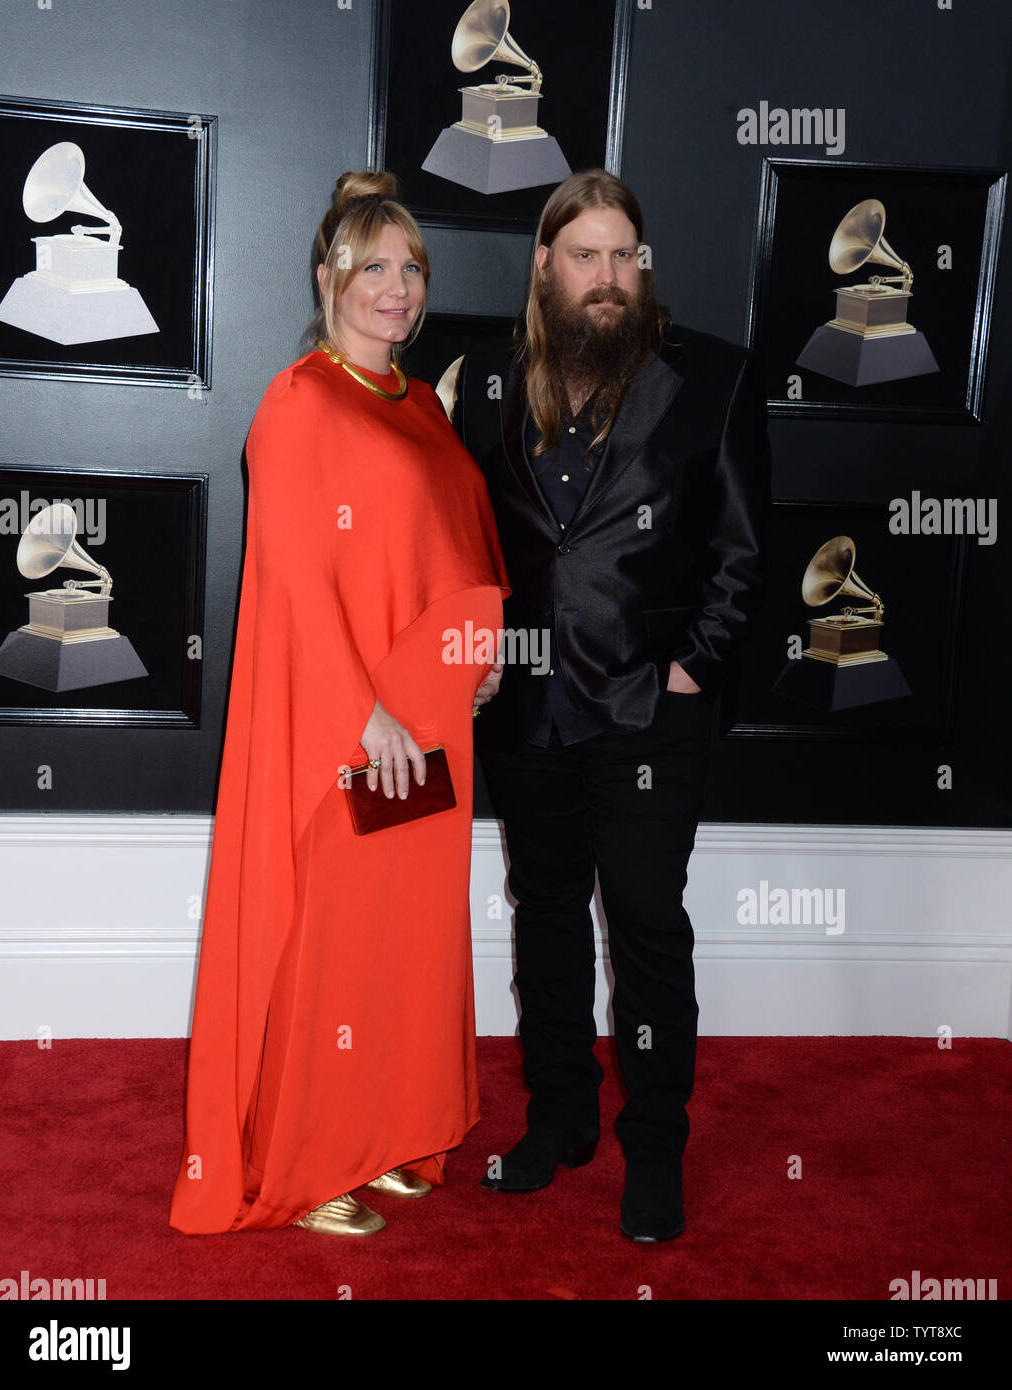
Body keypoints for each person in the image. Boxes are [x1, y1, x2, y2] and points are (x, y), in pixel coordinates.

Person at [169, 171, 509, 1237]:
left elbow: (451, 547)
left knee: (402, 942)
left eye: (412, 268)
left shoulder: (418, 407)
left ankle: (389, 1137)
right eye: (374, 268)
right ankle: (312, 1163)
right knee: (332, 942)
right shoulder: (299, 400)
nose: (397, 289)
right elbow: (291, 578)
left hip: (434, 718)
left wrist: (477, 653)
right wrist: (364, 714)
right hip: (356, 729)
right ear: (328, 278)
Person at [452, 170, 771, 1241]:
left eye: (623, 255)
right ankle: (560, 1121)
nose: (607, 277)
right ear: (544, 266)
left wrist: (691, 673)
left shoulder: (712, 376)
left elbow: (741, 553)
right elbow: (462, 540)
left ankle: (654, 1146)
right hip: (528, 712)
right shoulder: (491, 383)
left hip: (649, 711)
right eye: (584, 255)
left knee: (643, 929)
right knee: (543, 919)